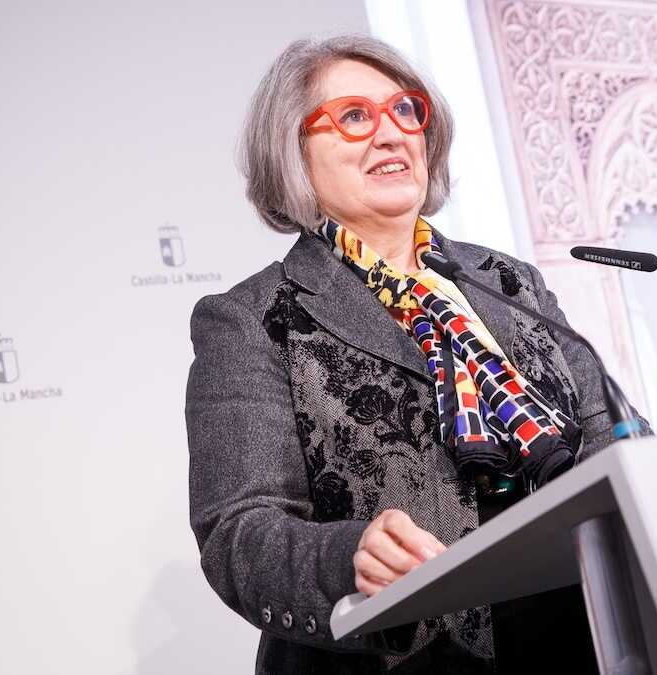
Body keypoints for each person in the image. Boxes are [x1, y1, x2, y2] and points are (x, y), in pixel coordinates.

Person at [186, 34, 633, 673]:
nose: (392, 133)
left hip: (582, 634)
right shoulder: (254, 318)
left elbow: (607, 437)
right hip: (407, 654)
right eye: (354, 116)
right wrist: (349, 560)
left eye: (405, 110)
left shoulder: (509, 283)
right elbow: (240, 531)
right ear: (293, 153)